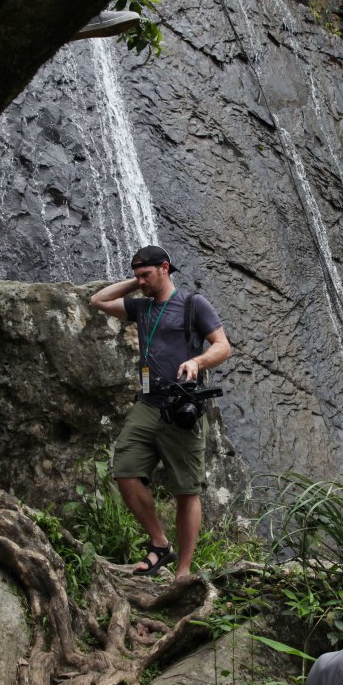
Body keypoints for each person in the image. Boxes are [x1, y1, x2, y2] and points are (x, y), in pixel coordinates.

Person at [90, 245, 231, 579]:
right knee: (124, 470)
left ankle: (183, 570)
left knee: (186, 491)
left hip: (182, 407)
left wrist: (196, 361)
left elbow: (224, 346)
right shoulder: (141, 307)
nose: (141, 281)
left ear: (165, 268)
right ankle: (159, 543)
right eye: (137, 275)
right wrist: (136, 281)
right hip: (148, 403)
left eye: (146, 274)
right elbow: (98, 301)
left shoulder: (193, 305)